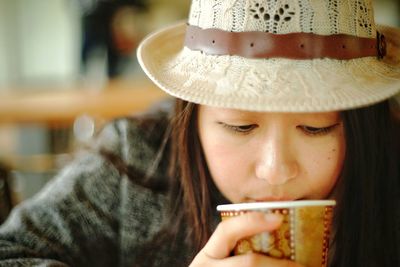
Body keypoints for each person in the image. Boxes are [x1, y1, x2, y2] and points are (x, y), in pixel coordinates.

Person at [0, 0, 399, 266]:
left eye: (316, 127)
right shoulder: (138, 160)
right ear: (192, 117)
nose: (275, 171)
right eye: (240, 126)